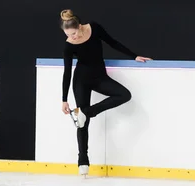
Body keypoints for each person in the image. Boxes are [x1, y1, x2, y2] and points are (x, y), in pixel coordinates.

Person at [59, 9, 152, 176]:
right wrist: (64, 99)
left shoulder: (94, 28)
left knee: (124, 95)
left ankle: (86, 112)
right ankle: (83, 161)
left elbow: (113, 42)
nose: (72, 37)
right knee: (83, 124)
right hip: (81, 80)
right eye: (68, 34)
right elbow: (66, 72)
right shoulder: (68, 45)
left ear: (80, 27)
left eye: (73, 33)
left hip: (100, 77)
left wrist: (134, 56)